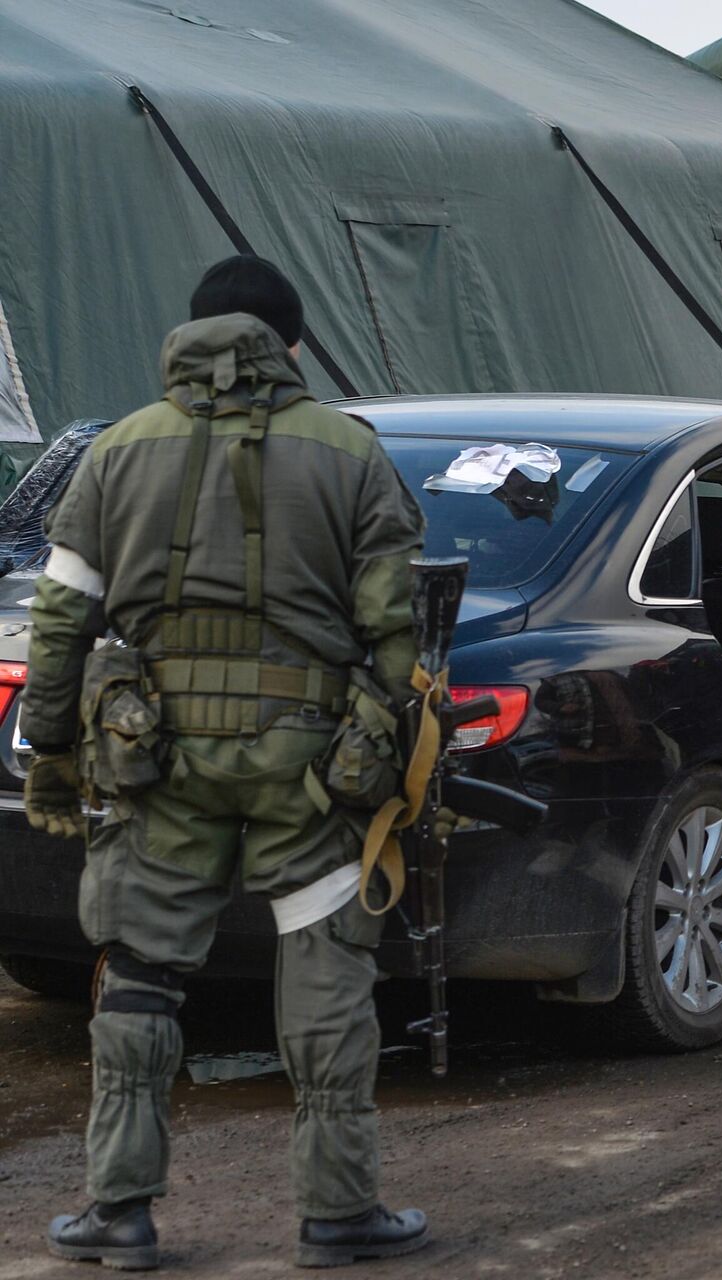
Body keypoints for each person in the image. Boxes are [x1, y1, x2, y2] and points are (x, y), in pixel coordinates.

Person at [22, 255, 432, 1268]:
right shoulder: (349, 451)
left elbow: (60, 619)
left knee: (142, 971)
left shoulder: (116, 451)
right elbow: (396, 633)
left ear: (190, 335)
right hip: (309, 761)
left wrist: (51, 751)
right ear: (292, 345)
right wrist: (383, 748)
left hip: (153, 758)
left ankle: (118, 1210)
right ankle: (337, 1212)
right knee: (325, 966)